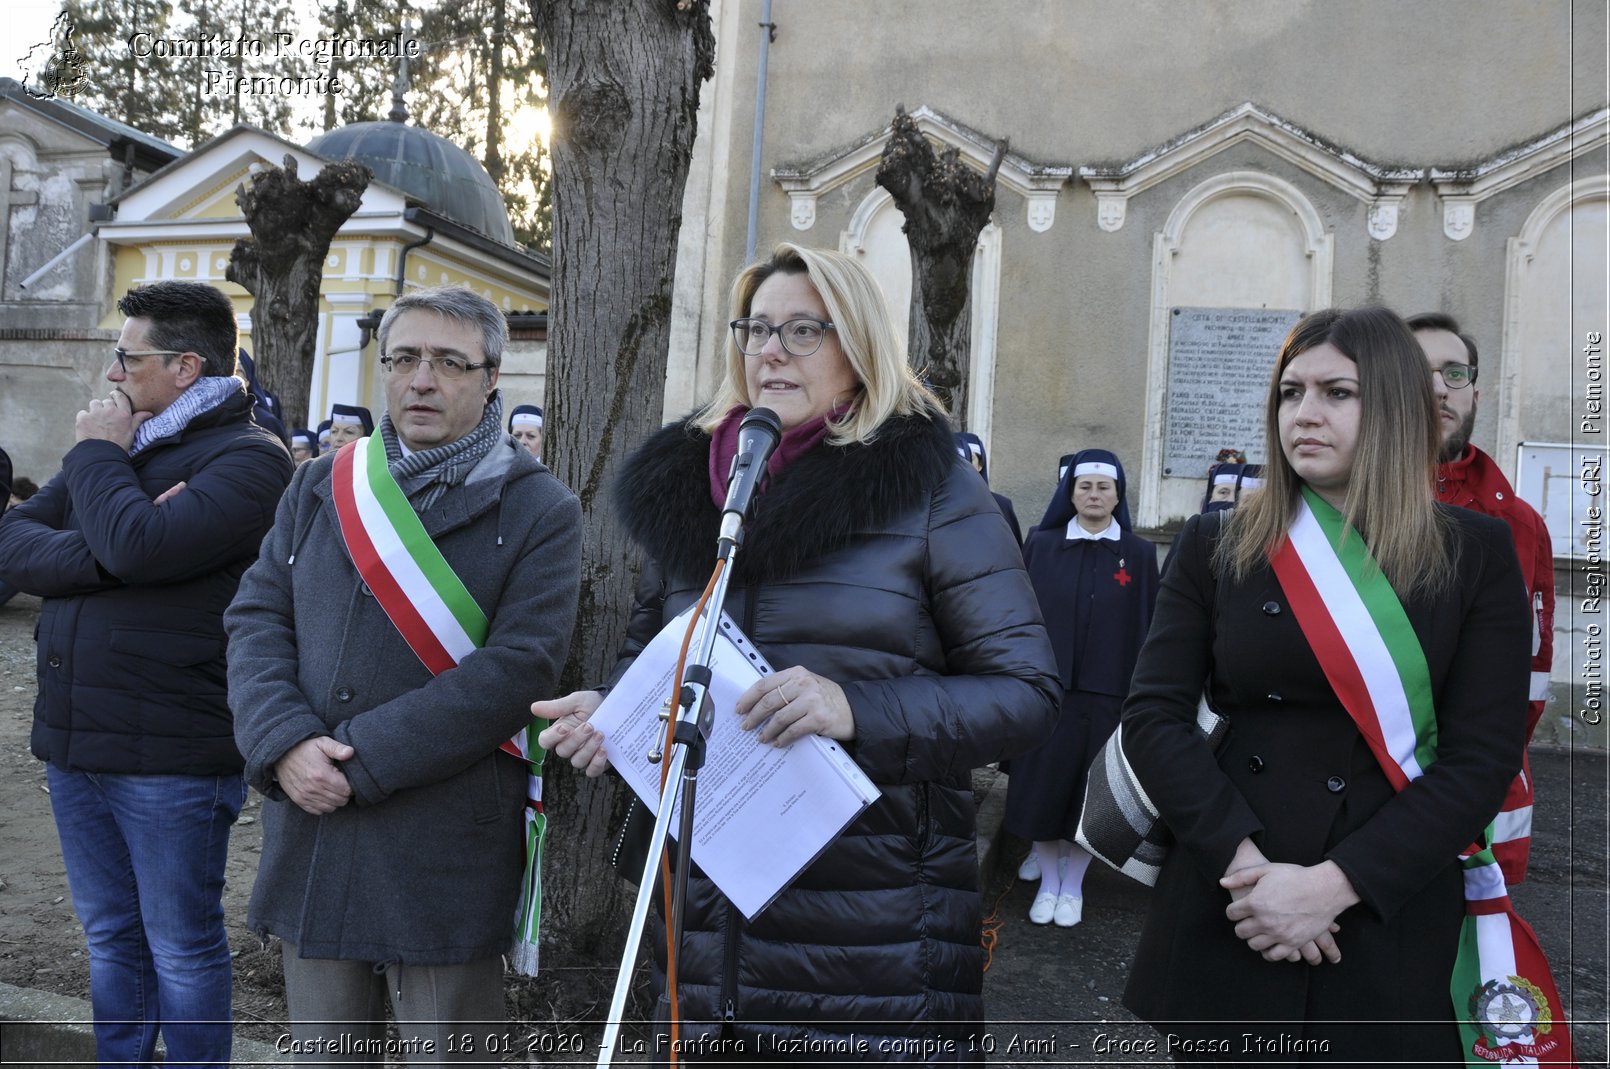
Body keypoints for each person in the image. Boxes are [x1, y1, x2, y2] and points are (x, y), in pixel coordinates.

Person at [534, 242, 1059, 1060]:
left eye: (804, 330)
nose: (771, 349)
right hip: (707, 934)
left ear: (858, 350)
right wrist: (615, 712)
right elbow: (660, 652)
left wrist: (857, 708)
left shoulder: (933, 491)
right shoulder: (694, 491)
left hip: (876, 936)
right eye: (756, 328)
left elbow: (1026, 692)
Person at [1120, 308, 1560, 1062]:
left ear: (1391, 403)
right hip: (1234, 898)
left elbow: (1481, 759)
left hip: (1387, 904)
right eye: (1290, 393)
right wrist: (1248, 871)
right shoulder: (1217, 541)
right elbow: (1154, 717)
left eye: (1336, 392)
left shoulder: (1477, 553)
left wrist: (1332, 885)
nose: (1304, 414)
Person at [226, 285, 582, 1061]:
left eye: (450, 362)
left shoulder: (539, 508)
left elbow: (518, 668)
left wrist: (360, 763)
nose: (422, 379)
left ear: (492, 378)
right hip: (314, 821)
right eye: (405, 358)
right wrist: (285, 743)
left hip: (442, 838)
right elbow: (256, 619)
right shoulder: (320, 483)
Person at [0, 280, 294, 1066]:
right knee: (108, 938)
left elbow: (136, 548)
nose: (111, 375)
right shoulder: (133, 445)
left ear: (186, 366)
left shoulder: (250, 461)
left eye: (126, 357)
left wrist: (101, 466)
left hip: (173, 753)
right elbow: (13, 545)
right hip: (74, 745)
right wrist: (117, 539)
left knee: (183, 947)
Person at [1409, 311, 1555, 884]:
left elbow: (1532, 675)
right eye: (1420, 372)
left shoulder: (1518, 524)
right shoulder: (1335, 509)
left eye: (1456, 373)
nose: (1441, 388)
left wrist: (1482, 773)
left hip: (1477, 806)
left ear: (1475, 391)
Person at [1003, 448, 1158, 926]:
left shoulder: (1137, 552)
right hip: (1049, 692)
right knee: (1043, 789)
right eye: (1085, 486)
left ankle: (1074, 887)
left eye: (1103, 487)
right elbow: (1019, 614)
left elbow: (1150, 626)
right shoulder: (1043, 544)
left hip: (1109, 694)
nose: (1094, 495)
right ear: (1069, 493)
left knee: (1094, 795)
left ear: (1118, 495)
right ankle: (1049, 880)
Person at [955, 430, 1022, 543]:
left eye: (970, 459)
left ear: (981, 464)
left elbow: (1015, 553)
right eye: (958, 460)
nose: (964, 465)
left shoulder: (1001, 505)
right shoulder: (935, 506)